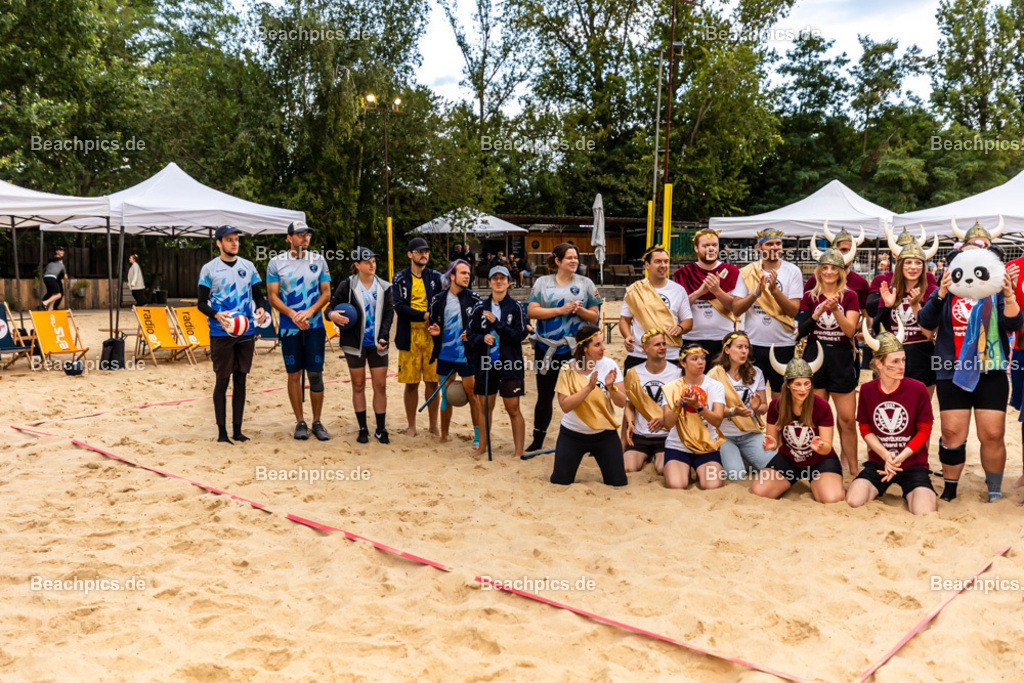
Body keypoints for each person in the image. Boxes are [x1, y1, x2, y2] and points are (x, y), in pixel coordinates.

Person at [918, 219, 1021, 502]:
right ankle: (950, 488)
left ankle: (995, 491)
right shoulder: (948, 289)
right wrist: (939, 293)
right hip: (951, 369)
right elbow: (924, 322)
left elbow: (1013, 324)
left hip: (991, 369)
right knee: (952, 432)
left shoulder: (997, 290)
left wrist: (1009, 295)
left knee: (992, 433)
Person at [846, 319, 937, 515]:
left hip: (912, 464)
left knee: (924, 512)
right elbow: (865, 428)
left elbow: (925, 429)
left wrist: (901, 457)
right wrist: (885, 455)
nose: (901, 366)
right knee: (854, 501)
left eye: (903, 360)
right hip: (879, 461)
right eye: (894, 362)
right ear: (879, 363)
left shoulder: (918, 388)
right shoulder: (868, 390)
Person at [526, 243, 602, 452]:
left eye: (576, 258)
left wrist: (579, 311)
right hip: (547, 348)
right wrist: (561, 310)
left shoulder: (586, 283)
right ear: (558, 261)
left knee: (582, 392)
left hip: (575, 350)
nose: (574, 261)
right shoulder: (542, 282)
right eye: (569, 257)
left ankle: (586, 439)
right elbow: (532, 311)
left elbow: (595, 316)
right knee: (545, 395)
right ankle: (538, 438)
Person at [197, 226, 269, 444]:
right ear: (219, 243)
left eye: (236, 239)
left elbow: (259, 296)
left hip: (246, 329)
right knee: (222, 380)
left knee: (241, 380)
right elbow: (201, 303)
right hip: (221, 331)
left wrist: (261, 308)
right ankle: (222, 433)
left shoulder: (248, 266)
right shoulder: (209, 269)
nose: (234, 243)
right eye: (229, 240)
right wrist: (216, 314)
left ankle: (237, 431)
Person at [750, 343, 845, 503]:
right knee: (759, 491)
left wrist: (820, 446)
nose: (803, 389)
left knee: (831, 498)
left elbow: (827, 446)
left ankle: (821, 481)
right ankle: (795, 478)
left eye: (807, 384)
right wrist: (770, 443)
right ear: (788, 385)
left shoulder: (821, 406)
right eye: (797, 384)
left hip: (820, 461)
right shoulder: (776, 406)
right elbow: (773, 441)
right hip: (789, 460)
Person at [797, 244, 861, 475]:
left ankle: (853, 469)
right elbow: (801, 332)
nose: (829, 272)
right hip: (815, 356)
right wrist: (817, 312)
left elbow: (850, 332)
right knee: (816, 418)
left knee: (846, 420)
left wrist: (835, 310)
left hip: (841, 357)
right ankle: (818, 466)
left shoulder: (850, 296)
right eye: (825, 267)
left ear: (841, 271)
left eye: (834, 268)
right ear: (819, 271)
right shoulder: (809, 296)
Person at [266, 222, 332, 441]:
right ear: (289, 238)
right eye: (300, 234)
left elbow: (326, 293)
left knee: (315, 374)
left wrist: (310, 311)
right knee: (293, 374)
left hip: (314, 326)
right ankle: (300, 422)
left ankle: (317, 422)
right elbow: (272, 297)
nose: (305, 238)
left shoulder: (319, 260)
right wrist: (294, 314)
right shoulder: (276, 263)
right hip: (289, 327)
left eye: (308, 235)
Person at [329, 247, 394, 444]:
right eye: (367, 262)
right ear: (357, 265)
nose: (372, 265)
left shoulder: (384, 286)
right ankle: (363, 428)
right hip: (354, 343)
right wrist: (331, 315)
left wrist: (383, 336)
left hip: (377, 343)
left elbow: (389, 314)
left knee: (380, 385)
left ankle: (381, 429)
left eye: (374, 261)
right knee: (358, 385)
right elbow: (331, 306)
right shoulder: (347, 285)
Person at [550, 325, 627, 486]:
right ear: (585, 348)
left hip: (604, 434)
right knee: (560, 482)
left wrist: (610, 387)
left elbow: (621, 403)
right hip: (572, 434)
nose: (603, 348)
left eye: (602, 343)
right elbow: (565, 406)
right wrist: (588, 388)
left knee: (618, 483)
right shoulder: (567, 369)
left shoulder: (609, 364)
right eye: (597, 345)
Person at [734, 229, 802, 397]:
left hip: (782, 344)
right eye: (769, 244)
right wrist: (756, 293)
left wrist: (775, 292)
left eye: (778, 243)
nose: (774, 247)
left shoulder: (792, 271)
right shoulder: (748, 272)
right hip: (754, 344)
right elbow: (736, 309)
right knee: (752, 396)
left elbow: (793, 311)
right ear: (759, 247)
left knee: (781, 398)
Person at [470, 265, 529, 457]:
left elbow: (519, 335)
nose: (498, 281)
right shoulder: (480, 307)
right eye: (494, 278)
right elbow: (470, 334)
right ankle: (482, 448)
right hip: (485, 364)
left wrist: (497, 323)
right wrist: (482, 338)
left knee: (513, 408)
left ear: (509, 282)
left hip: (509, 364)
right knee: (485, 408)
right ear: (489, 282)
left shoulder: (516, 307)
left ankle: (519, 451)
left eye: (502, 278)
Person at [427, 259, 483, 446]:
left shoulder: (475, 299)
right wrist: (436, 332)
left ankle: (477, 437)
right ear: (452, 275)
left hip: (467, 356)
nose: (467, 276)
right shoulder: (438, 299)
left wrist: (473, 334)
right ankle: (444, 435)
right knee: (445, 396)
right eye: (463, 273)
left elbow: (483, 327)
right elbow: (434, 324)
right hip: (445, 355)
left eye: (468, 273)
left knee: (472, 396)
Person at [873, 238, 939, 396]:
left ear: (924, 266)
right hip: (891, 352)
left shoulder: (932, 291)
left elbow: (929, 332)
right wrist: (887, 306)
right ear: (901, 265)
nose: (913, 267)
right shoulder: (890, 290)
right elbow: (878, 329)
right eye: (908, 262)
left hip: (921, 353)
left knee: (919, 409)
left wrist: (916, 305)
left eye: (918, 263)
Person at [393, 237, 444, 437]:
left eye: (426, 251)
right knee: (411, 382)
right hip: (409, 334)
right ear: (410, 254)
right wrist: (423, 315)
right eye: (420, 251)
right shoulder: (399, 278)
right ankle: (411, 425)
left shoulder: (437, 278)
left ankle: (433, 425)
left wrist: (434, 319)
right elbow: (399, 307)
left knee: (433, 382)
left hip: (432, 336)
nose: (424, 255)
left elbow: (443, 303)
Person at [672, 228, 748, 359]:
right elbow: (678, 308)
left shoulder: (732, 271)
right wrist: (699, 292)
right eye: (706, 245)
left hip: (723, 337)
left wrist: (717, 291)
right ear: (696, 248)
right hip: (691, 337)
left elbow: (735, 309)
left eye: (714, 245)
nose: (711, 249)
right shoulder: (684, 273)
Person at [659, 343, 727, 490]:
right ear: (683, 363)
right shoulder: (672, 387)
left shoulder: (715, 386)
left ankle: (695, 469)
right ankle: (684, 470)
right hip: (679, 446)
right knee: (676, 485)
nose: (701, 362)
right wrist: (678, 405)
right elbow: (668, 424)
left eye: (702, 358)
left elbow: (717, 421)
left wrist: (698, 406)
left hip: (707, 445)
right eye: (694, 358)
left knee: (712, 485)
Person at [707, 331, 771, 480]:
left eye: (746, 347)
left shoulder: (756, 373)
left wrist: (756, 408)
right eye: (739, 347)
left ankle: (742, 455)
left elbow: (764, 407)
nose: (744, 351)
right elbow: (710, 411)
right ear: (727, 350)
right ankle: (736, 457)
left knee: (773, 467)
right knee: (736, 475)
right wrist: (732, 411)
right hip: (724, 435)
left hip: (750, 433)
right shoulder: (715, 375)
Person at [619, 246, 693, 371]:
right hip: (639, 353)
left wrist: (680, 328)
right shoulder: (635, 290)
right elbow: (624, 320)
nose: (663, 265)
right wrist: (627, 336)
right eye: (658, 261)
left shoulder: (678, 290)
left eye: (666, 261)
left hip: (671, 354)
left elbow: (688, 321)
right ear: (647, 264)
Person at [623, 330, 681, 473]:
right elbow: (629, 406)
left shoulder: (676, 373)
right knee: (628, 468)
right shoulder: (633, 372)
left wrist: (665, 418)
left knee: (662, 469)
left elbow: (680, 408)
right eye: (657, 345)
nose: (662, 347)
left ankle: (655, 456)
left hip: (666, 436)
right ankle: (646, 456)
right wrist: (630, 423)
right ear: (645, 348)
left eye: (664, 344)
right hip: (640, 436)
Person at [803, 225, 869, 313]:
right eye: (843, 249)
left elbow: (866, 315)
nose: (848, 254)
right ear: (834, 250)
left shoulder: (861, 283)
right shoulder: (814, 281)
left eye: (851, 250)